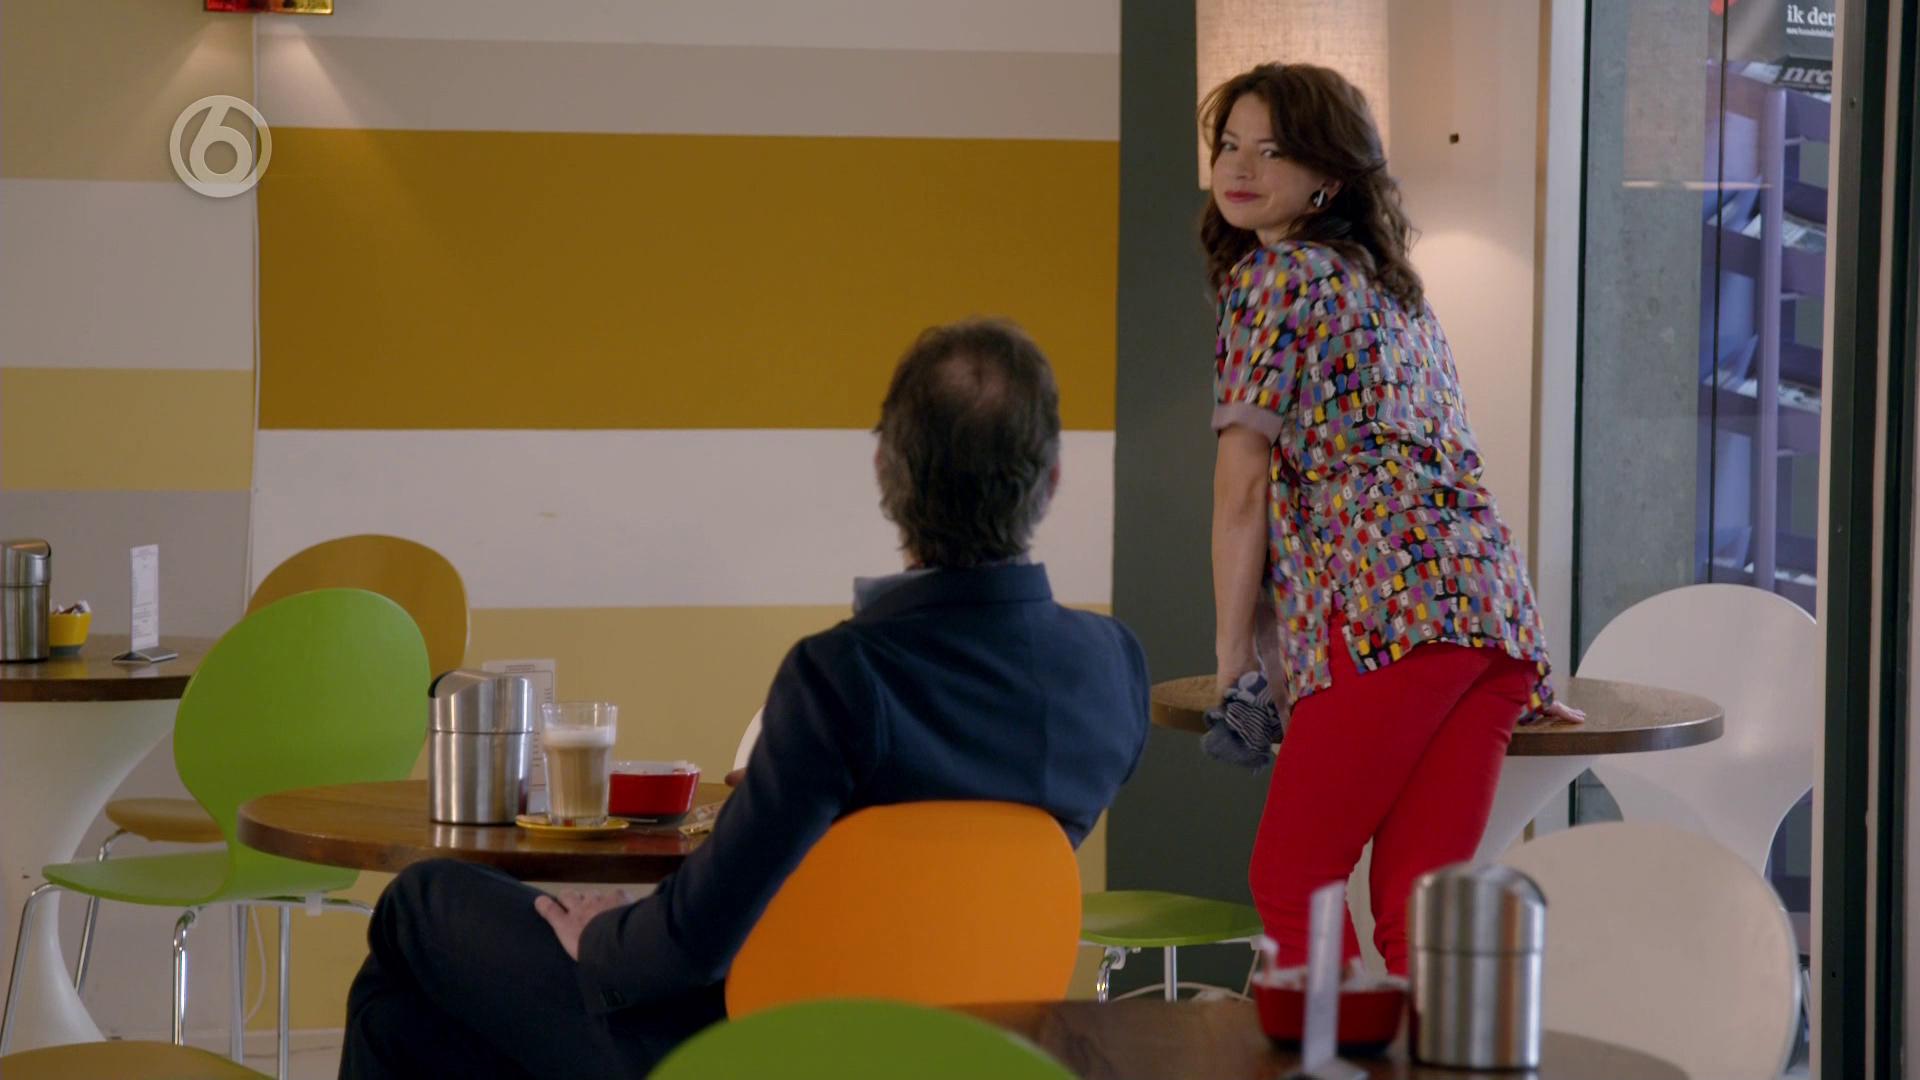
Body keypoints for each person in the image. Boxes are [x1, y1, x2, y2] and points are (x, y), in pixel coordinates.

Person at [338, 318, 1150, 1078]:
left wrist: (599, 939)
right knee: (407, 1022)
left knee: (419, 904)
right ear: (1052, 479)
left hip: (761, 1049)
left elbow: (696, 939)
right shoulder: (1114, 669)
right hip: (967, 1049)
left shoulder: (842, 675)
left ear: (885, 471)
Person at [1199, 63, 1582, 976]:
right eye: (1228, 146)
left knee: (1293, 879)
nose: (1240, 168)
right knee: (1418, 910)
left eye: (1273, 151)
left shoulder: (1275, 278)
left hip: (1390, 616)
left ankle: (1322, 1052)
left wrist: (1233, 663)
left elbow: (1241, 487)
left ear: (1328, 176)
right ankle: (1431, 1053)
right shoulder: (1394, 289)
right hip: (1491, 621)